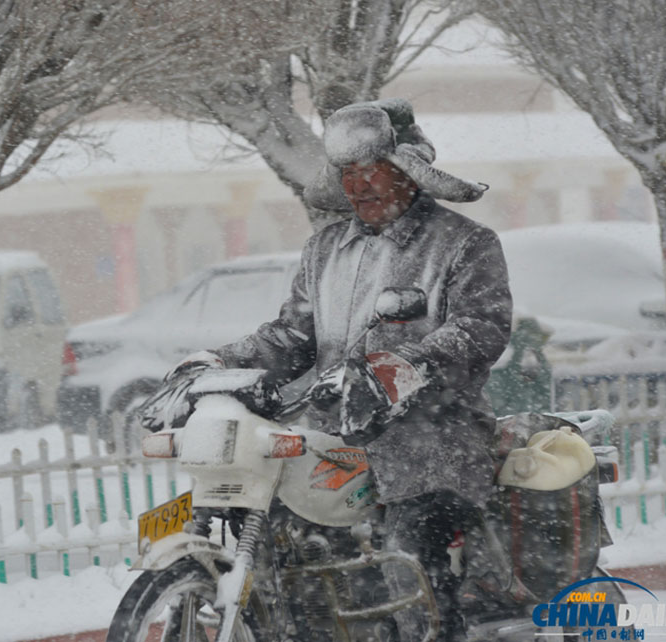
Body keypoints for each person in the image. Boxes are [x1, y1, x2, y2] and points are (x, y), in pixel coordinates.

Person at [167, 98, 512, 641]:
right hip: (332, 439)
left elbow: (480, 330)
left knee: (407, 555)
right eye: (347, 173)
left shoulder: (464, 243)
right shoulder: (325, 248)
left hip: (432, 438)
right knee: (281, 544)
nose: (357, 186)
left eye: (370, 170)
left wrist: (403, 368)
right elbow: (293, 336)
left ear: (408, 170)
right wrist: (218, 361)